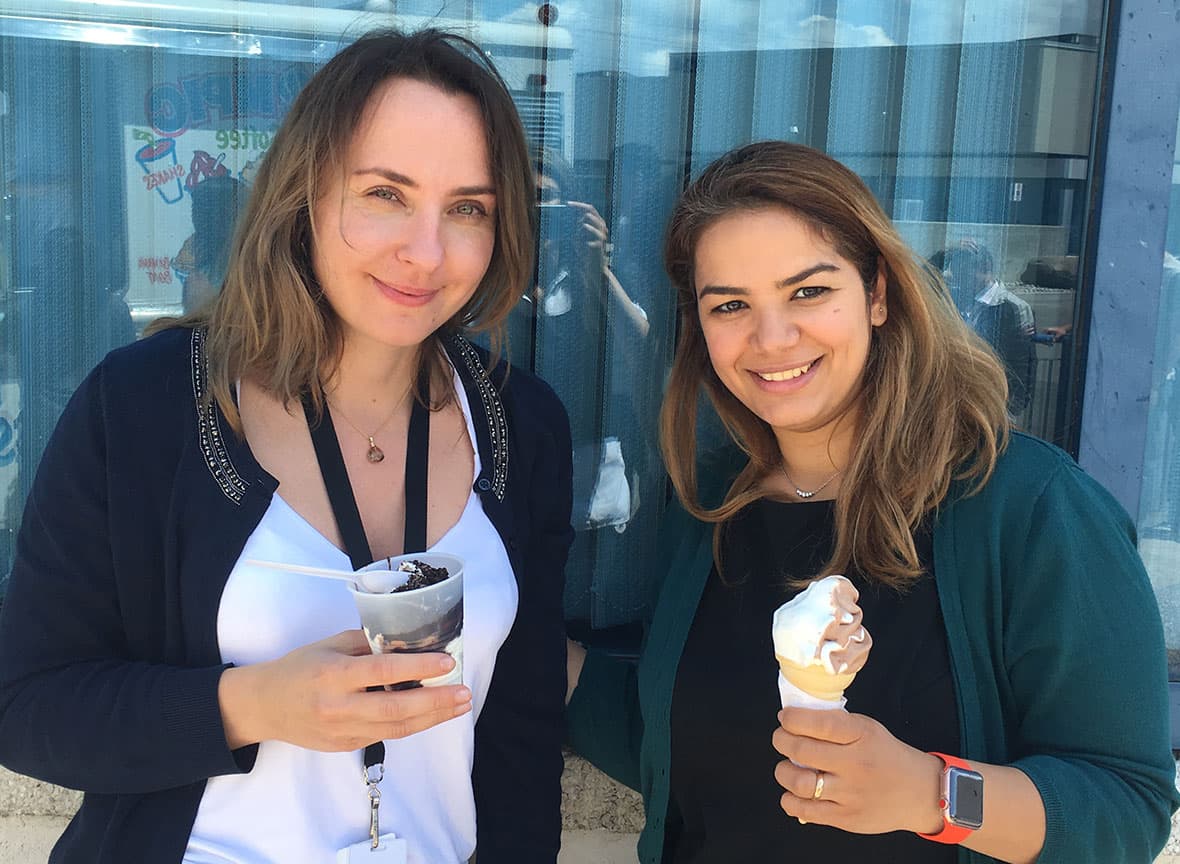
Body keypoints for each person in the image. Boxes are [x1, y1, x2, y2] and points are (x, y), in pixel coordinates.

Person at [0, 28, 573, 864]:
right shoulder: (146, 406)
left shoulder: (520, 424)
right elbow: (26, 704)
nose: (426, 251)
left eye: (467, 209)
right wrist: (249, 706)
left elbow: (522, 733)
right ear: (305, 194)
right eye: (384, 193)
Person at [565, 141, 1178, 864]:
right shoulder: (711, 511)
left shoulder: (1030, 509)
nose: (771, 337)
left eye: (808, 291)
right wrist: (520, 652)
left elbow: (1125, 805)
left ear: (878, 292)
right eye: (730, 305)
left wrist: (932, 793)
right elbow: (676, 744)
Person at [937, 240, 1037, 417]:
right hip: (957, 402)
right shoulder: (956, 299)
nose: (957, 277)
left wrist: (1011, 410)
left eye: (963, 271)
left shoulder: (1013, 307)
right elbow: (920, 282)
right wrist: (945, 253)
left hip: (995, 407)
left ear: (985, 269)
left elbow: (1023, 362)